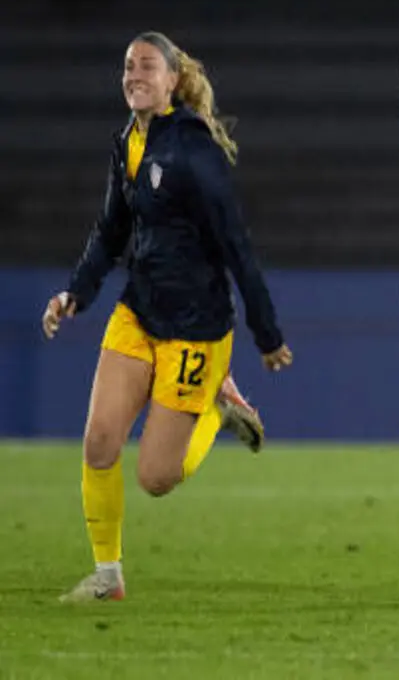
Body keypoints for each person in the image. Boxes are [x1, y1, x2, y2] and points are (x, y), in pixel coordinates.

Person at [42, 32, 292, 603]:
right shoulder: (127, 140)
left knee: (156, 478)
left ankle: (216, 404)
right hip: (140, 311)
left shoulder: (193, 148)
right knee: (99, 441)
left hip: (197, 328)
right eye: (128, 66)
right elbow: (110, 231)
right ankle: (107, 577)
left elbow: (235, 242)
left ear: (173, 80)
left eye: (147, 66)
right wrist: (75, 293)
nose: (134, 75)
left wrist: (266, 333)